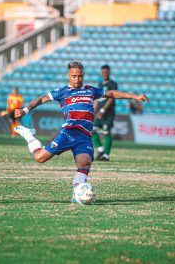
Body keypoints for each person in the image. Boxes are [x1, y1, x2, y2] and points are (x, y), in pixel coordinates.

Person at [13, 61, 148, 202]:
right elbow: (41, 98)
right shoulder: (62, 92)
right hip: (69, 132)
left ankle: (77, 194)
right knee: (39, 158)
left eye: (79, 76)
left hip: (85, 136)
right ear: (68, 76)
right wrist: (25, 110)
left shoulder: (91, 90)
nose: (77, 79)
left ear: (83, 75)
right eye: (74, 76)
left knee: (84, 164)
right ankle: (28, 135)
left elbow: (112, 93)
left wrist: (134, 97)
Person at [92, 65, 118, 161]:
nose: (105, 74)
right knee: (92, 130)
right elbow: (97, 99)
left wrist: (102, 110)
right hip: (98, 112)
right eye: (103, 72)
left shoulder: (113, 84)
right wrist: (93, 110)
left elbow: (111, 98)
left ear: (109, 72)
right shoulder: (100, 84)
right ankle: (100, 148)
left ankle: (106, 155)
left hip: (108, 113)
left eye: (106, 72)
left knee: (107, 132)